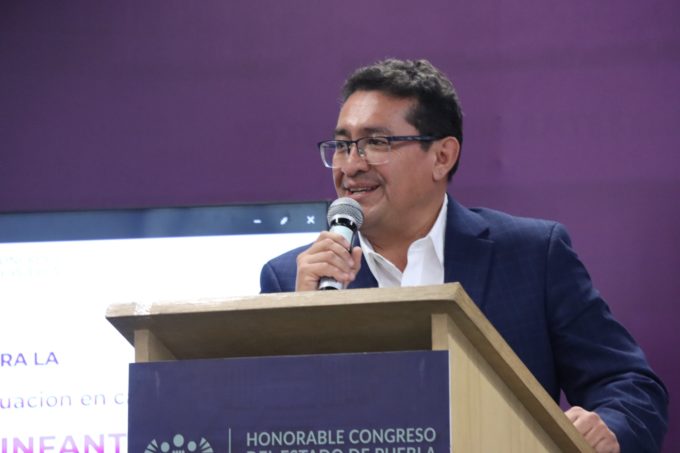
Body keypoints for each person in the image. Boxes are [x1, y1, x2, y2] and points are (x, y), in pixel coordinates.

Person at [259, 58, 668, 452]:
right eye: (343, 145)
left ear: (442, 156)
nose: (350, 166)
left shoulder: (531, 255)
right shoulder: (291, 280)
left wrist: (608, 428)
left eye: (375, 143)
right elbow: (261, 423)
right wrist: (302, 321)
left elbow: (630, 385)